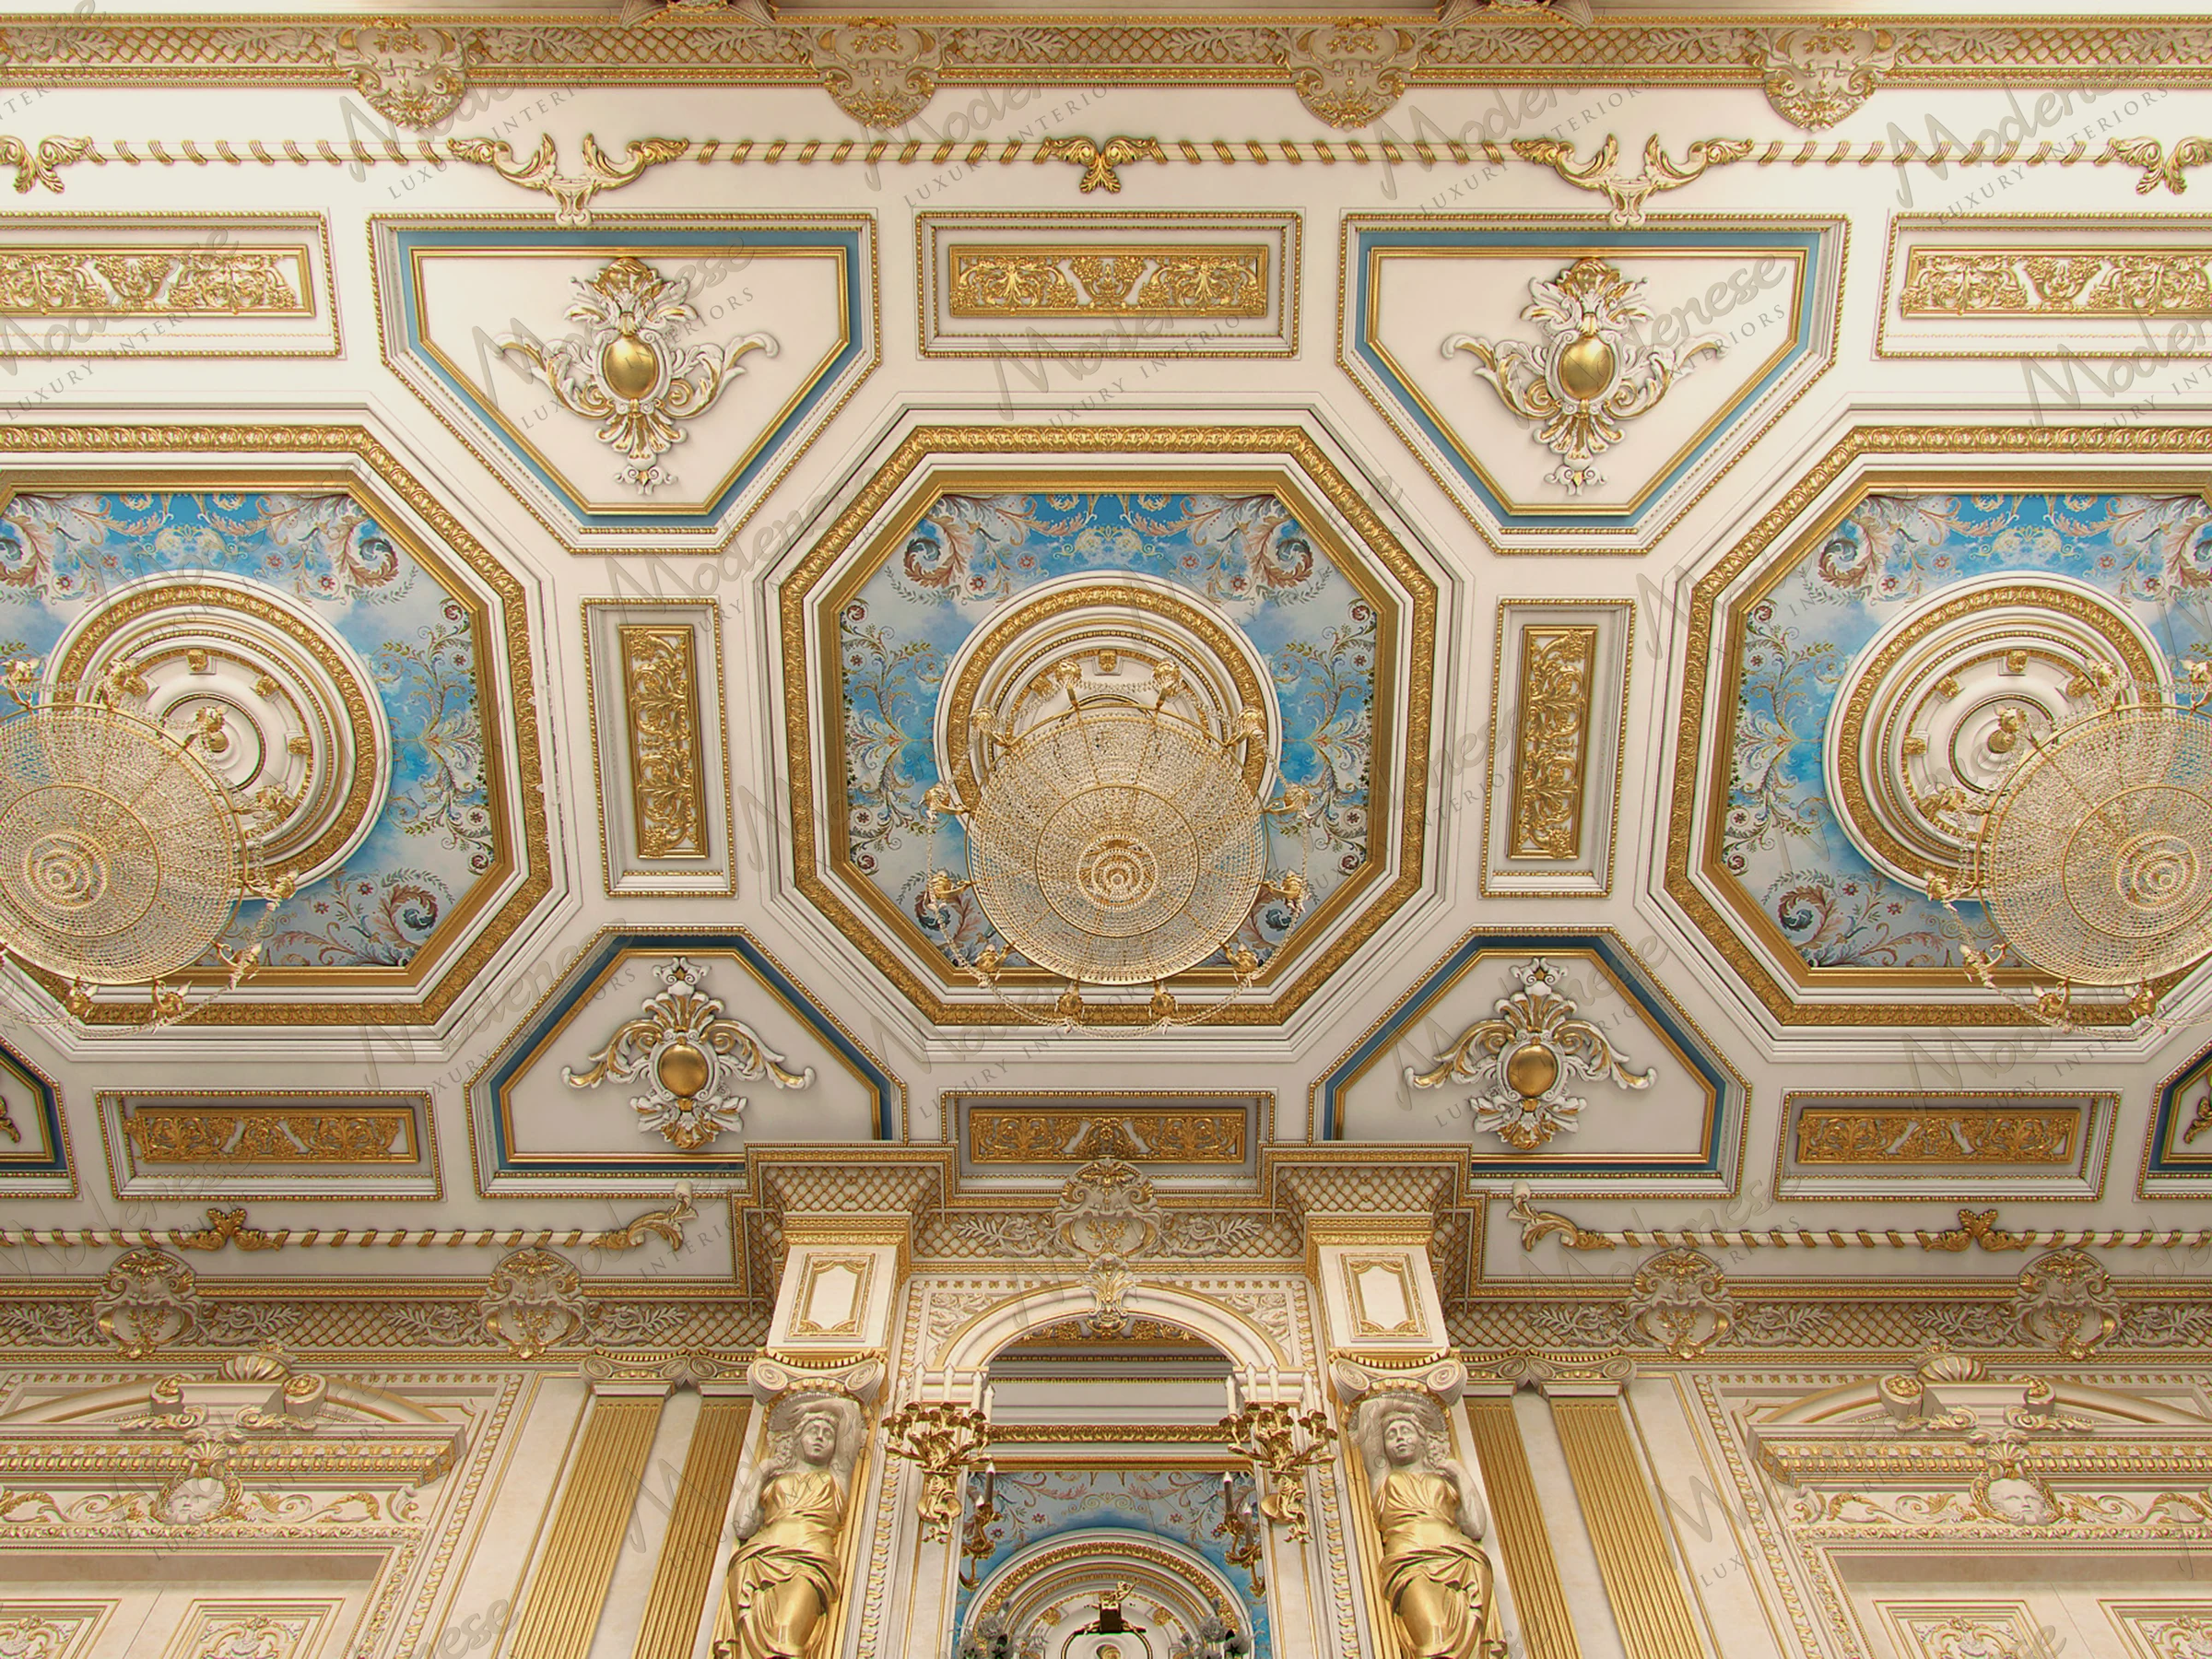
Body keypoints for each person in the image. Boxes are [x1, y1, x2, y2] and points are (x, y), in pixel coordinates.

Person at [717, 1395, 860, 1659]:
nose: (820, 1437)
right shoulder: (775, 1480)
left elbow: (850, 1410)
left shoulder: (835, 1478)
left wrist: (814, 1407)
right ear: (796, 1439)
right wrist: (761, 1472)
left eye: (828, 1434)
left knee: (787, 1635)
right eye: (812, 1431)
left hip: (808, 1562)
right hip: (757, 1562)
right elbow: (743, 1527)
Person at [1358, 1394, 1496, 1659]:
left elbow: (1476, 1528)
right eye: (1391, 1435)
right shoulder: (1384, 1478)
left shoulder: (1444, 1479)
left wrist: (1460, 1474)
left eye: (1406, 1431)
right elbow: (1368, 1411)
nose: (1399, 1438)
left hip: (1462, 1561)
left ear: (1422, 1439)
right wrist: (1406, 1402)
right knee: (1434, 1633)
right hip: (1411, 1562)